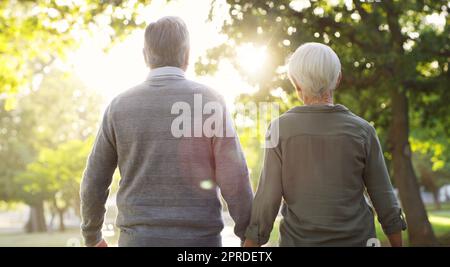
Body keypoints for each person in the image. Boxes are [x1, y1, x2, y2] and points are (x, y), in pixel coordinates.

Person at [80, 16, 253, 247]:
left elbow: (94, 180)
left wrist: (92, 236)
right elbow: (235, 177)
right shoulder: (210, 102)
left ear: (145, 56)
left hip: (138, 240)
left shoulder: (119, 106)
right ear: (187, 55)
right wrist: (250, 234)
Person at [243, 42, 407, 247]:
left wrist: (250, 245)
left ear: (296, 83)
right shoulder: (363, 131)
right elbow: (384, 197)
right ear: (338, 79)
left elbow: (267, 201)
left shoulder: (279, 130)